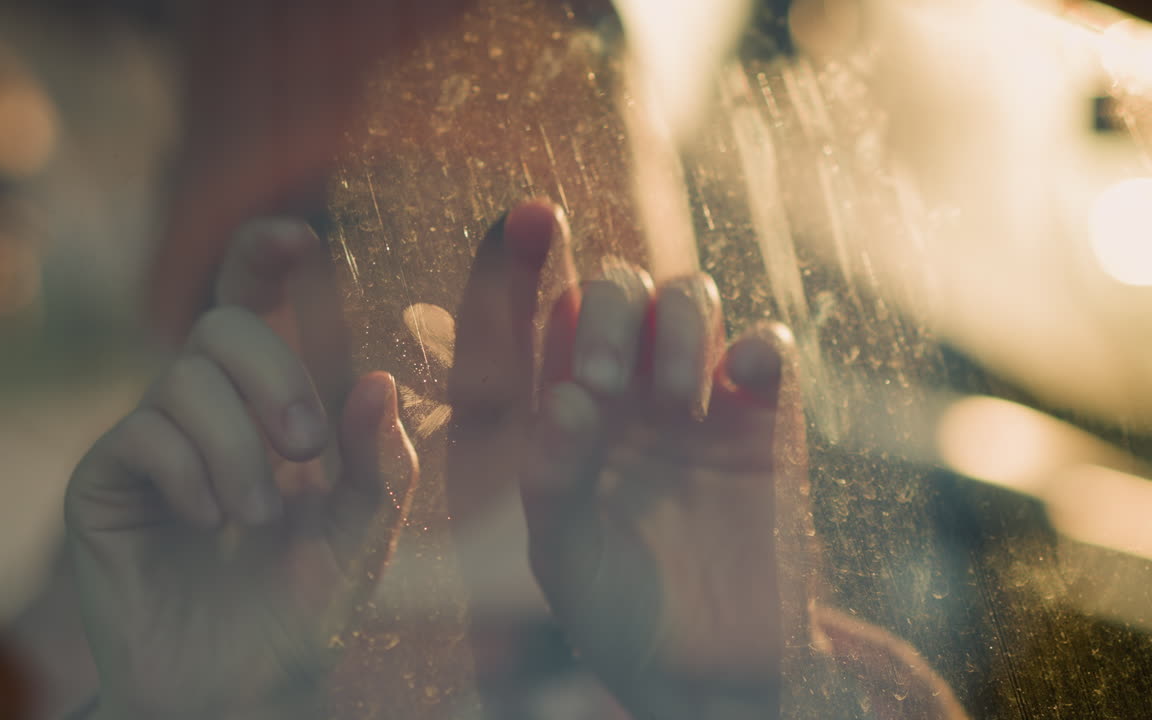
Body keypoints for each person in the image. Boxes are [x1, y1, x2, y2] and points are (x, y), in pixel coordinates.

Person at [64, 197, 968, 720]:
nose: (470, 298)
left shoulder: (831, 680)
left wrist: (750, 704)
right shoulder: (127, 600)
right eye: (365, 214)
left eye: (489, 219)